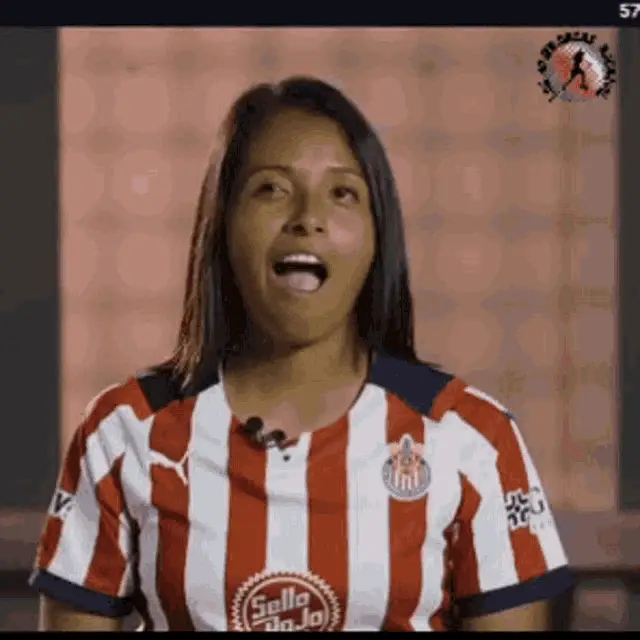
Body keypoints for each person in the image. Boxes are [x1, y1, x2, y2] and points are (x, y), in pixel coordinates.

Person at [30, 76, 572, 632]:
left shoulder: (470, 436)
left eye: (343, 193)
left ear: (378, 236)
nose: (308, 218)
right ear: (222, 223)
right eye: (271, 189)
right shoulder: (126, 429)